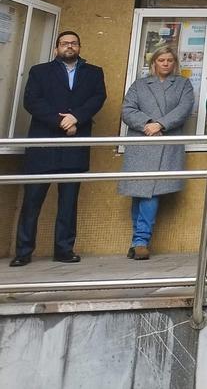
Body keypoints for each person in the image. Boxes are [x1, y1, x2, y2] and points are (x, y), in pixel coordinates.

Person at [12, 30, 106, 267]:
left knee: (68, 202)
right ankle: (23, 252)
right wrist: (60, 121)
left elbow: (97, 98)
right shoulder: (39, 71)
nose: (69, 47)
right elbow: (32, 101)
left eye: (74, 43)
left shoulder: (94, 73)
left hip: (75, 145)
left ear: (80, 47)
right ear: (56, 48)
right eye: (65, 43)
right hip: (43, 145)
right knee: (32, 201)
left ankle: (64, 250)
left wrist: (76, 118)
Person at [117, 47, 195, 260]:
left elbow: (184, 108)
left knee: (150, 192)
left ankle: (141, 240)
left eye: (170, 60)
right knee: (139, 193)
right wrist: (148, 124)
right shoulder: (139, 85)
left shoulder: (183, 84)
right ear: (154, 63)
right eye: (161, 60)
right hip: (141, 143)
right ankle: (137, 241)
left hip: (165, 142)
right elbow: (127, 110)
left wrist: (161, 123)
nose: (166, 63)